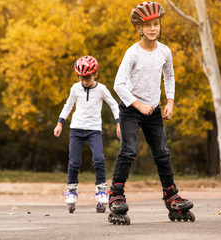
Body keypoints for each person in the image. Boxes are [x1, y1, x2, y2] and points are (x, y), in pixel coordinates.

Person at [108, 1, 194, 224]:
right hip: (130, 110)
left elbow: (170, 77)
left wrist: (170, 101)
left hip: (154, 110)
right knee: (128, 151)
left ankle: (171, 194)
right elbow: (119, 85)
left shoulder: (165, 51)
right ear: (139, 28)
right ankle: (116, 195)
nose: (153, 28)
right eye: (148, 25)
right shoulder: (132, 53)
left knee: (163, 153)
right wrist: (138, 105)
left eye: (156, 24)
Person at [54, 55, 120, 213]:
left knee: (98, 159)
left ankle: (102, 190)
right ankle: (71, 190)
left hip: (94, 130)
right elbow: (68, 105)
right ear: (78, 76)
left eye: (88, 78)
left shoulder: (102, 89)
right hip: (76, 129)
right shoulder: (75, 88)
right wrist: (60, 123)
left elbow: (113, 104)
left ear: (95, 74)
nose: (85, 81)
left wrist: (119, 122)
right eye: (82, 78)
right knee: (74, 162)